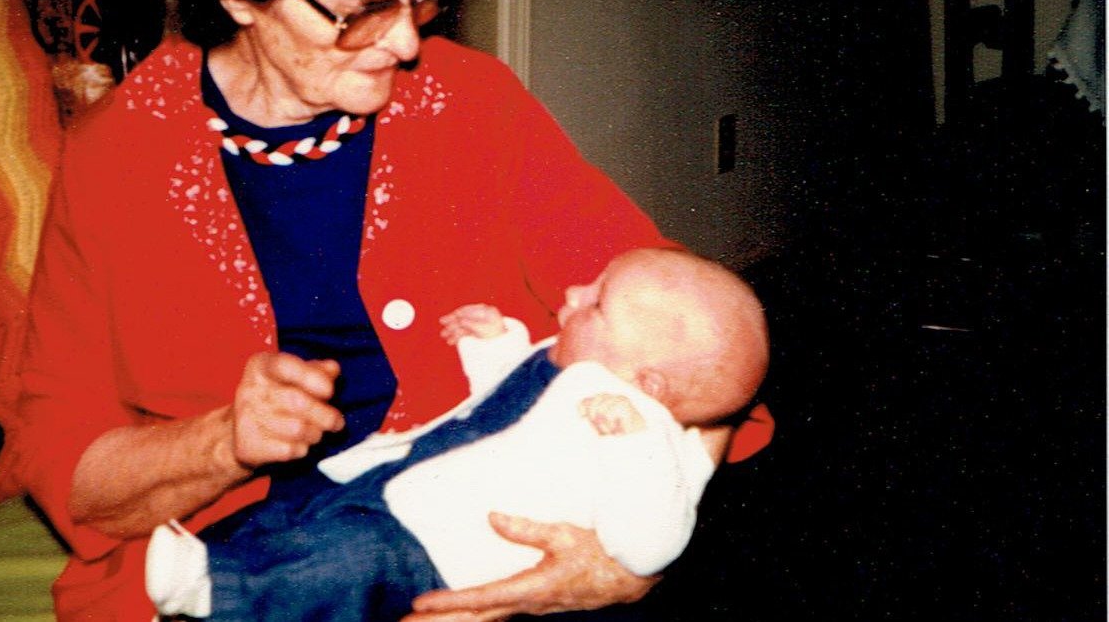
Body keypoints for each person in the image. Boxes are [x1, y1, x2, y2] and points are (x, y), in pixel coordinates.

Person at [14, 0, 772, 621]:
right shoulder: (115, 158)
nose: (409, 42)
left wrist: (626, 559)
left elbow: (683, 334)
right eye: (365, 10)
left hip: (479, 538)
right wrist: (223, 442)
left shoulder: (472, 105)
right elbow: (71, 469)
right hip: (251, 567)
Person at [144, 248, 769, 621]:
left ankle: (220, 590)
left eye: (597, 303)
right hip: (403, 477)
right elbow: (503, 405)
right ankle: (219, 562)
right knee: (305, 509)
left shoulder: (648, 438)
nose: (576, 292)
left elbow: (653, 544)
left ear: (649, 381)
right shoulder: (569, 358)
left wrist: (636, 449)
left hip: (440, 547)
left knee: (348, 561)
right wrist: (494, 344)